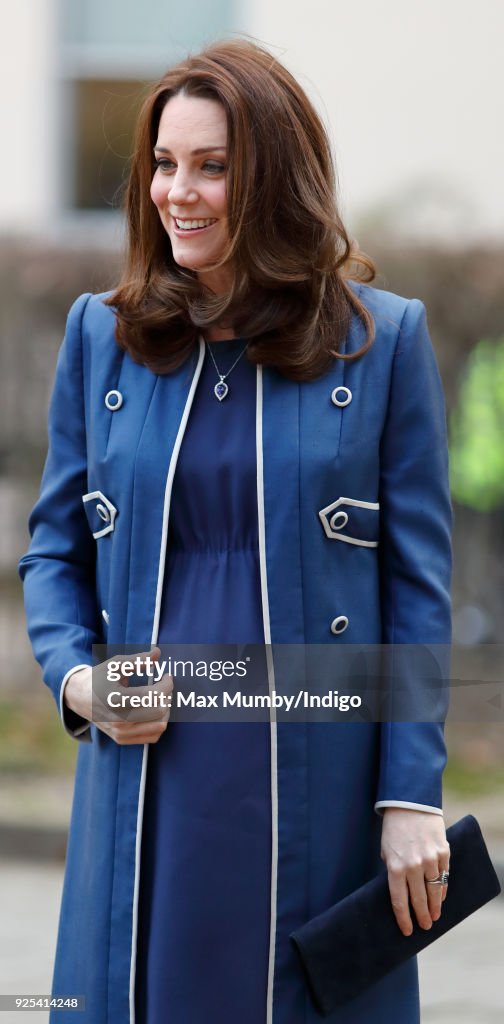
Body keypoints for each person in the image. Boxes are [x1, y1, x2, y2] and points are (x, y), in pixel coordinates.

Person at [19, 38, 452, 1024]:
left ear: (276, 178)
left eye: (214, 166)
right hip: (146, 768)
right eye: (166, 164)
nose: (180, 190)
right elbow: (53, 550)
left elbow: (416, 586)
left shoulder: (382, 344)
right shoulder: (103, 336)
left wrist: (410, 796)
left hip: (323, 773)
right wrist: (81, 681)